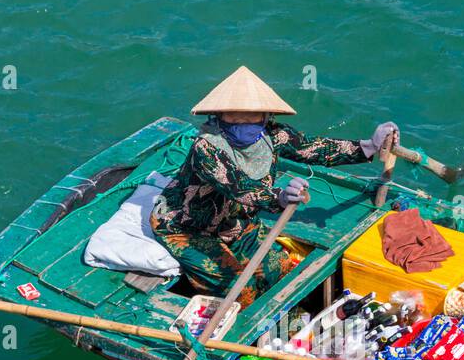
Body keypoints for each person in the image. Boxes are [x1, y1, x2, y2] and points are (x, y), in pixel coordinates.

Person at [152, 65, 398, 307]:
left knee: (279, 269)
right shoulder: (206, 148)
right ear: (219, 116)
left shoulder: (271, 134)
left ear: (265, 116)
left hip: (236, 223)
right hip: (186, 228)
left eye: (251, 116)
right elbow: (240, 186)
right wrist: (279, 197)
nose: (242, 122)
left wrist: (367, 146)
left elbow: (311, 148)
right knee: (238, 289)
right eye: (233, 115)